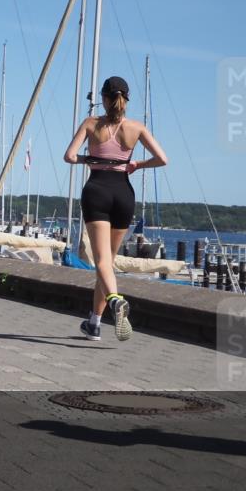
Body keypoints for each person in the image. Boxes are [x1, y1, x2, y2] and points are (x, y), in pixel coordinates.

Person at [64, 76, 167, 342]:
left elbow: (69, 156)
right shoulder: (136, 128)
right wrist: (136, 165)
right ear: (125, 99)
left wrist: (90, 158)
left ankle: (115, 300)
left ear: (104, 98)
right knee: (106, 262)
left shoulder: (91, 124)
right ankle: (94, 323)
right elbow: (162, 159)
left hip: (97, 190)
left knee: (101, 261)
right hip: (123, 193)